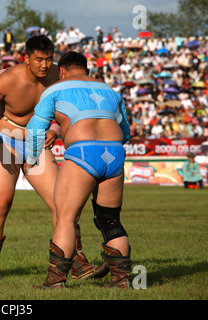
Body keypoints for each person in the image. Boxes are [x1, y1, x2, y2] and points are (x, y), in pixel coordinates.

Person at [0, 35, 105, 280]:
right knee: (1, 202)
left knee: (61, 204)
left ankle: (77, 263)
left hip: (36, 141)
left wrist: (54, 130)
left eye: (49, 59)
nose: (44, 65)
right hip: (5, 138)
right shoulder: (7, 78)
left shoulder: (58, 76)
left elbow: (67, 111)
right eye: (38, 59)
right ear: (26, 58)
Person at [24, 51, 132, 289]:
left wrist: (32, 159)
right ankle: (122, 280)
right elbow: (125, 132)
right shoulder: (110, 91)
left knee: (66, 218)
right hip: (114, 153)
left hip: (83, 152)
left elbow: (35, 129)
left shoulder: (54, 90)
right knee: (110, 220)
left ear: (61, 71)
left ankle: (55, 281)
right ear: (87, 71)